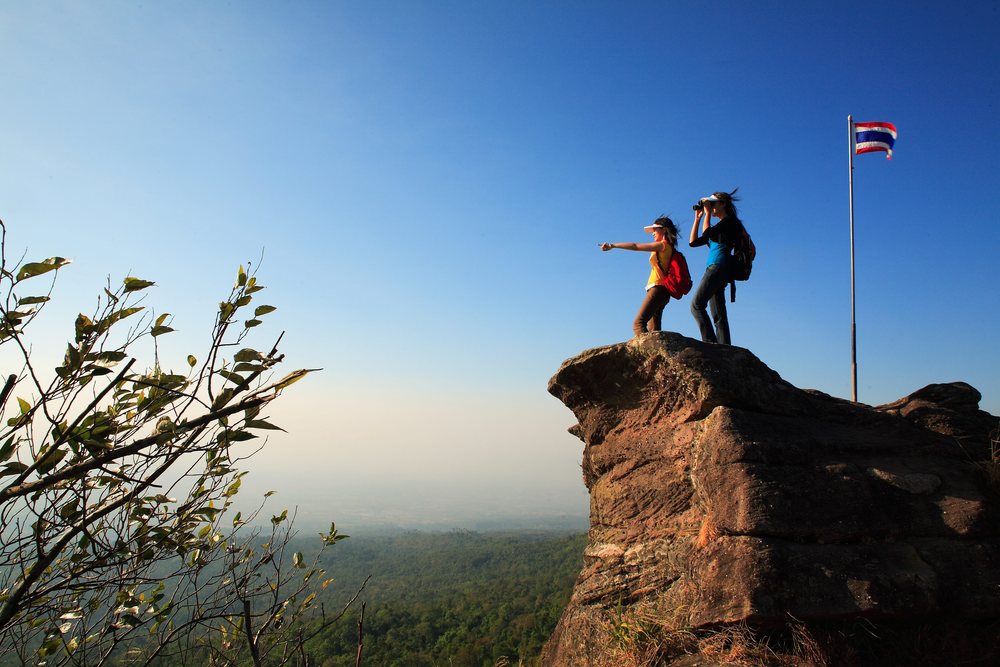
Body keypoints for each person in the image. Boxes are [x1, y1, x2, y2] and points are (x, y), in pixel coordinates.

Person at [600, 216, 679, 336]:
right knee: (654, 330)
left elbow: (635, 246)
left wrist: (613, 245)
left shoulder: (663, 245)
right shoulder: (668, 247)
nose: (652, 233)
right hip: (662, 291)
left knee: (638, 324)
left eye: (655, 230)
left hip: (658, 289)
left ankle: (644, 353)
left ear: (663, 230)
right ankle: (656, 354)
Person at [688, 190, 742, 345]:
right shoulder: (718, 227)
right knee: (718, 314)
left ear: (723, 204)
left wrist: (707, 213)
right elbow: (693, 242)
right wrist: (698, 218)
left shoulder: (730, 222)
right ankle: (725, 348)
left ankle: (710, 344)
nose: (710, 207)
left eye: (713, 203)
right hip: (716, 268)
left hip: (719, 267)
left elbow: (708, 231)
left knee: (696, 305)